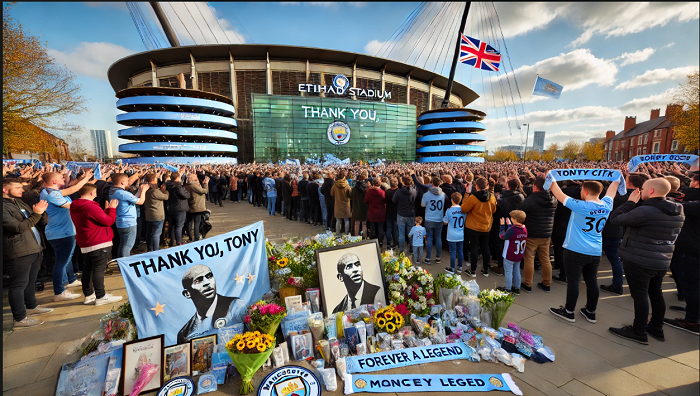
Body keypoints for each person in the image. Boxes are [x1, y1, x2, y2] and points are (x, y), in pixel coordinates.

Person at [607, 178, 685, 344]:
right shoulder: (678, 209)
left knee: (640, 295)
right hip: (662, 259)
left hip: (640, 259)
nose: (640, 191)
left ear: (650, 191)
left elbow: (615, 219)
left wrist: (629, 203)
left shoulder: (646, 211)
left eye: (642, 189)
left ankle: (639, 330)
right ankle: (656, 327)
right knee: (656, 293)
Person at [548, 177, 619, 324]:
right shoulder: (606, 204)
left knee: (573, 281)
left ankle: (569, 311)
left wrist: (551, 176)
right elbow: (612, 191)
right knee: (592, 281)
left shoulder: (580, 205)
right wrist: (617, 179)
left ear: (585, 191)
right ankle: (591, 312)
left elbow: (557, 192)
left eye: (581, 190)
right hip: (595, 250)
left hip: (576, 249)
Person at [3, 179, 54, 327]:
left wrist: (41, 215)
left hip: (33, 247)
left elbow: (35, 218)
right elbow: (18, 227)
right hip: (18, 251)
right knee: (19, 284)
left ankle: (31, 306)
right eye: (18, 187)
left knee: (30, 281)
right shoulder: (4, 207)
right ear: (5, 190)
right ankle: (19, 318)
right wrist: (37, 214)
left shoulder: (18, 202)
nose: (22, 190)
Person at [41, 170, 94, 301]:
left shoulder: (53, 192)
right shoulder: (49, 193)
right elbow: (72, 205)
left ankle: (70, 280)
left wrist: (83, 179)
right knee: (61, 262)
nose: (64, 179)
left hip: (65, 231)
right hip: (60, 233)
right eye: (61, 178)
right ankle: (59, 291)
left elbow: (71, 189)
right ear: (54, 182)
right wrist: (85, 180)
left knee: (67, 258)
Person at [69, 184, 123, 305]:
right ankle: (101, 296)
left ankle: (88, 294)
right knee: (98, 270)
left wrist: (106, 211)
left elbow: (94, 220)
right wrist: (112, 209)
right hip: (98, 241)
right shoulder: (91, 207)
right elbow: (108, 221)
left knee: (88, 269)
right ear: (92, 193)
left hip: (86, 241)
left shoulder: (75, 205)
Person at [599, 173, 647, 294]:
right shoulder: (640, 197)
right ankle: (617, 285)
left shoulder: (619, 196)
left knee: (594, 258)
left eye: (625, 180)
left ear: (629, 183)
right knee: (615, 259)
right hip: (620, 232)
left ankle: (589, 280)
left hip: (605, 230)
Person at [177, 264, 246, 344]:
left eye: (209, 276)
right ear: (187, 293)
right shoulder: (185, 334)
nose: (207, 282)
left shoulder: (235, 306)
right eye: (198, 280)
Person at [664, 198, 699, 335]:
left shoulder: (695, 207)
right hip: (692, 249)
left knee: (691, 286)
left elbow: (674, 206)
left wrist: (665, 196)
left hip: (691, 250)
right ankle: (693, 311)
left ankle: (691, 321)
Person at [517, 176, 556, 293]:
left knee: (529, 259)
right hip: (546, 233)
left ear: (535, 187)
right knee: (545, 259)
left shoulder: (531, 200)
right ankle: (546, 283)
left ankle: (528, 284)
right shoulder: (553, 199)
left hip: (532, 233)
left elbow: (520, 211)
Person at [461, 177, 497, 278]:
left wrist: (466, 194)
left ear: (476, 186)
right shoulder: (491, 197)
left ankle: (473, 270)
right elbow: (494, 210)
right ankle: (485, 269)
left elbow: (463, 209)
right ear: (487, 186)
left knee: (474, 247)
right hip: (486, 226)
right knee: (485, 247)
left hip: (473, 226)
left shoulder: (472, 197)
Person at [109, 173, 150, 258]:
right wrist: (144, 191)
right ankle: (126, 263)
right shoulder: (123, 194)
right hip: (128, 223)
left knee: (122, 245)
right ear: (122, 182)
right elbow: (141, 201)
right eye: (127, 180)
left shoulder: (114, 191)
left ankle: (120, 261)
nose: (129, 182)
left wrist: (139, 190)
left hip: (120, 222)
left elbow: (132, 199)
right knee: (127, 246)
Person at [498, 210, 527, 295]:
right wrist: (510, 225)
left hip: (509, 254)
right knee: (516, 271)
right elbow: (513, 233)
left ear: (514, 219)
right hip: (518, 254)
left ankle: (508, 288)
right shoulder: (524, 229)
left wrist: (502, 226)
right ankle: (517, 288)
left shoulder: (513, 230)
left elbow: (502, 236)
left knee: (508, 272)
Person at [421, 177, 445, 265]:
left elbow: (422, 205)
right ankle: (438, 257)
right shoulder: (443, 194)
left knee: (430, 238)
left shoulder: (427, 194)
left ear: (432, 183)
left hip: (429, 218)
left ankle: (428, 258)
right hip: (439, 218)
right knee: (438, 238)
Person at [143, 173, 169, 252]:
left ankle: (149, 248)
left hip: (148, 215)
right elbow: (166, 197)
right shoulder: (154, 191)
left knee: (149, 233)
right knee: (156, 234)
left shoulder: (145, 190)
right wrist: (165, 191)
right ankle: (156, 250)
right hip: (157, 215)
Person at [393, 176, 417, 254]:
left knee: (401, 233)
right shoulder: (414, 191)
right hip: (411, 214)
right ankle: (411, 248)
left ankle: (401, 250)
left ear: (403, 182)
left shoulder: (399, 191)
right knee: (410, 233)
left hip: (401, 214)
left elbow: (393, 200)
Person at [166, 172, 191, 247]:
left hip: (171, 207)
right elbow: (186, 195)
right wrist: (187, 192)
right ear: (177, 178)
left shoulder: (168, 185)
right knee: (179, 226)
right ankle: (179, 242)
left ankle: (172, 241)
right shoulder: (178, 186)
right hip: (179, 208)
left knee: (172, 225)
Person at [443, 192, 466, 275]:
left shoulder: (449, 211)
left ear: (452, 200)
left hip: (452, 234)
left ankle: (452, 268)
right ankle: (459, 267)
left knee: (453, 252)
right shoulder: (463, 210)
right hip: (460, 234)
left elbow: (445, 222)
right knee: (460, 251)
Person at [185, 173, 209, 242]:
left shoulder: (187, 185)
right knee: (197, 222)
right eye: (195, 177)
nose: (197, 178)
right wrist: (206, 184)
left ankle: (190, 236)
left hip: (191, 205)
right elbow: (204, 191)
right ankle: (196, 238)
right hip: (197, 206)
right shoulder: (193, 186)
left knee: (190, 221)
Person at [364, 178, 386, 247]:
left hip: (372, 212)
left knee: (372, 228)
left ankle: (371, 241)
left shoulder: (370, 192)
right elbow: (385, 201)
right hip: (380, 212)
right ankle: (381, 242)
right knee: (380, 228)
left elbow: (366, 200)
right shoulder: (382, 192)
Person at [351, 170, 369, 238]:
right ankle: (365, 236)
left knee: (356, 223)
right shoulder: (366, 187)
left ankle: (356, 237)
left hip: (356, 206)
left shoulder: (354, 188)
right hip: (364, 206)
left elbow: (351, 196)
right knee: (364, 223)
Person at [385, 178, 400, 250]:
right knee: (395, 229)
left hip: (389, 211)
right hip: (396, 211)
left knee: (389, 228)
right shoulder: (399, 191)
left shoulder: (387, 192)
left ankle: (388, 242)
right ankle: (395, 243)